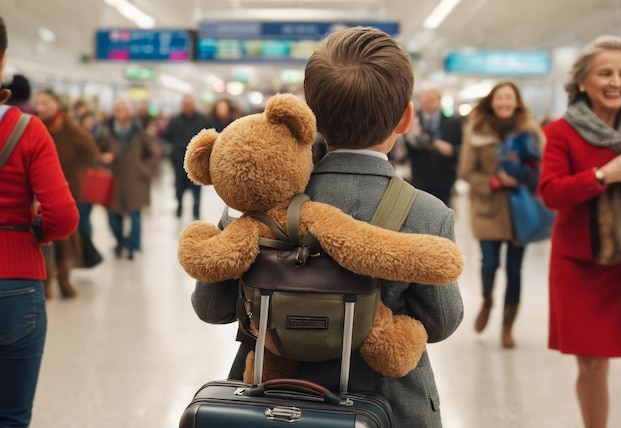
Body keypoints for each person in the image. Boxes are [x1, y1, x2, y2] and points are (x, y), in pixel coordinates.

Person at [190, 27, 464, 428]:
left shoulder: (260, 196)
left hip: (268, 405)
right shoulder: (427, 213)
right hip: (387, 406)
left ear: (311, 114)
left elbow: (210, 308)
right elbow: (441, 323)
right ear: (406, 117)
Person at [538, 35, 621, 428]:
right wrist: (601, 176)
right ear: (584, 82)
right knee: (593, 365)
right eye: (605, 73)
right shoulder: (562, 132)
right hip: (583, 265)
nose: (616, 82)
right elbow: (551, 192)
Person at [0, 15, 79, 427]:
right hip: (15, 280)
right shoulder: (28, 130)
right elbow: (63, 215)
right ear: (4, 60)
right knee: (10, 416)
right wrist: (38, 233)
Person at [458, 81, 545, 348]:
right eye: (500, 98)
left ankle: (508, 324)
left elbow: (544, 165)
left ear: (517, 102)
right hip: (488, 209)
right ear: (492, 102)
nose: (504, 103)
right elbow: (466, 171)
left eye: (509, 98)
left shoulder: (531, 131)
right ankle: (487, 300)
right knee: (490, 263)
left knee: (515, 269)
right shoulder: (478, 130)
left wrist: (524, 176)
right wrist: (493, 181)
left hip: (520, 210)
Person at [33, 89, 100, 299]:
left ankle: (64, 282)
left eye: (47, 103)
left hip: (67, 189)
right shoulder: (36, 126)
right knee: (42, 238)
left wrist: (74, 169)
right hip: (39, 191)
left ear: (56, 104)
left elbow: (91, 151)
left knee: (65, 240)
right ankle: (45, 285)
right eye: (39, 103)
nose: (42, 107)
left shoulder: (68, 126)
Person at [97, 100, 153, 260]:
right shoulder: (106, 131)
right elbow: (98, 152)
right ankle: (120, 241)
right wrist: (103, 159)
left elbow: (150, 152)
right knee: (113, 216)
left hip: (135, 179)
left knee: (135, 214)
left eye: (122, 109)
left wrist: (145, 168)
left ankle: (132, 245)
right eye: (116, 110)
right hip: (113, 178)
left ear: (129, 112)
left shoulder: (139, 131)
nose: (118, 113)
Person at [404, 88, 464, 207]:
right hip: (420, 178)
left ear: (439, 100)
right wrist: (410, 138)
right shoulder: (414, 121)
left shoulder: (453, 122)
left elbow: (462, 150)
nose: (428, 103)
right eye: (425, 100)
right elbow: (407, 152)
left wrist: (452, 150)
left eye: (431, 100)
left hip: (444, 179)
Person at [162, 95, 211, 219]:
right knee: (179, 186)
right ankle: (179, 205)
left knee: (197, 188)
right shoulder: (175, 121)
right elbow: (167, 136)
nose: (188, 106)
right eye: (185, 104)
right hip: (179, 160)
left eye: (190, 104)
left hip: (196, 160)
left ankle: (196, 211)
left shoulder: (201, 119)